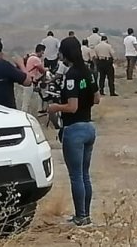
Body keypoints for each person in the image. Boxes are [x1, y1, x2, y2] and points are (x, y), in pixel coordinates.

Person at [47, 36, 100, 227]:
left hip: (74, 129)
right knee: (85, 175)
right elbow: (97, 99)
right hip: (89, 127)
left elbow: (72, 106)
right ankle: (85, 215)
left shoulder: (71, 76)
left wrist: (54, 108)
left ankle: (80, 216)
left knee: (76, 176)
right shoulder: (89, 72)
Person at [21, 44, 47, 113]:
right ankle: (24, 114)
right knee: (26, 101)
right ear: (40, 51)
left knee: (37, 96)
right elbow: (42, 70)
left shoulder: (30, 57)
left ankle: (40, 109)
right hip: (30, 81)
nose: (43, 53)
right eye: (43, 51)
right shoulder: (36, 59)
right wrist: (46, 70)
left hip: (30, 80)